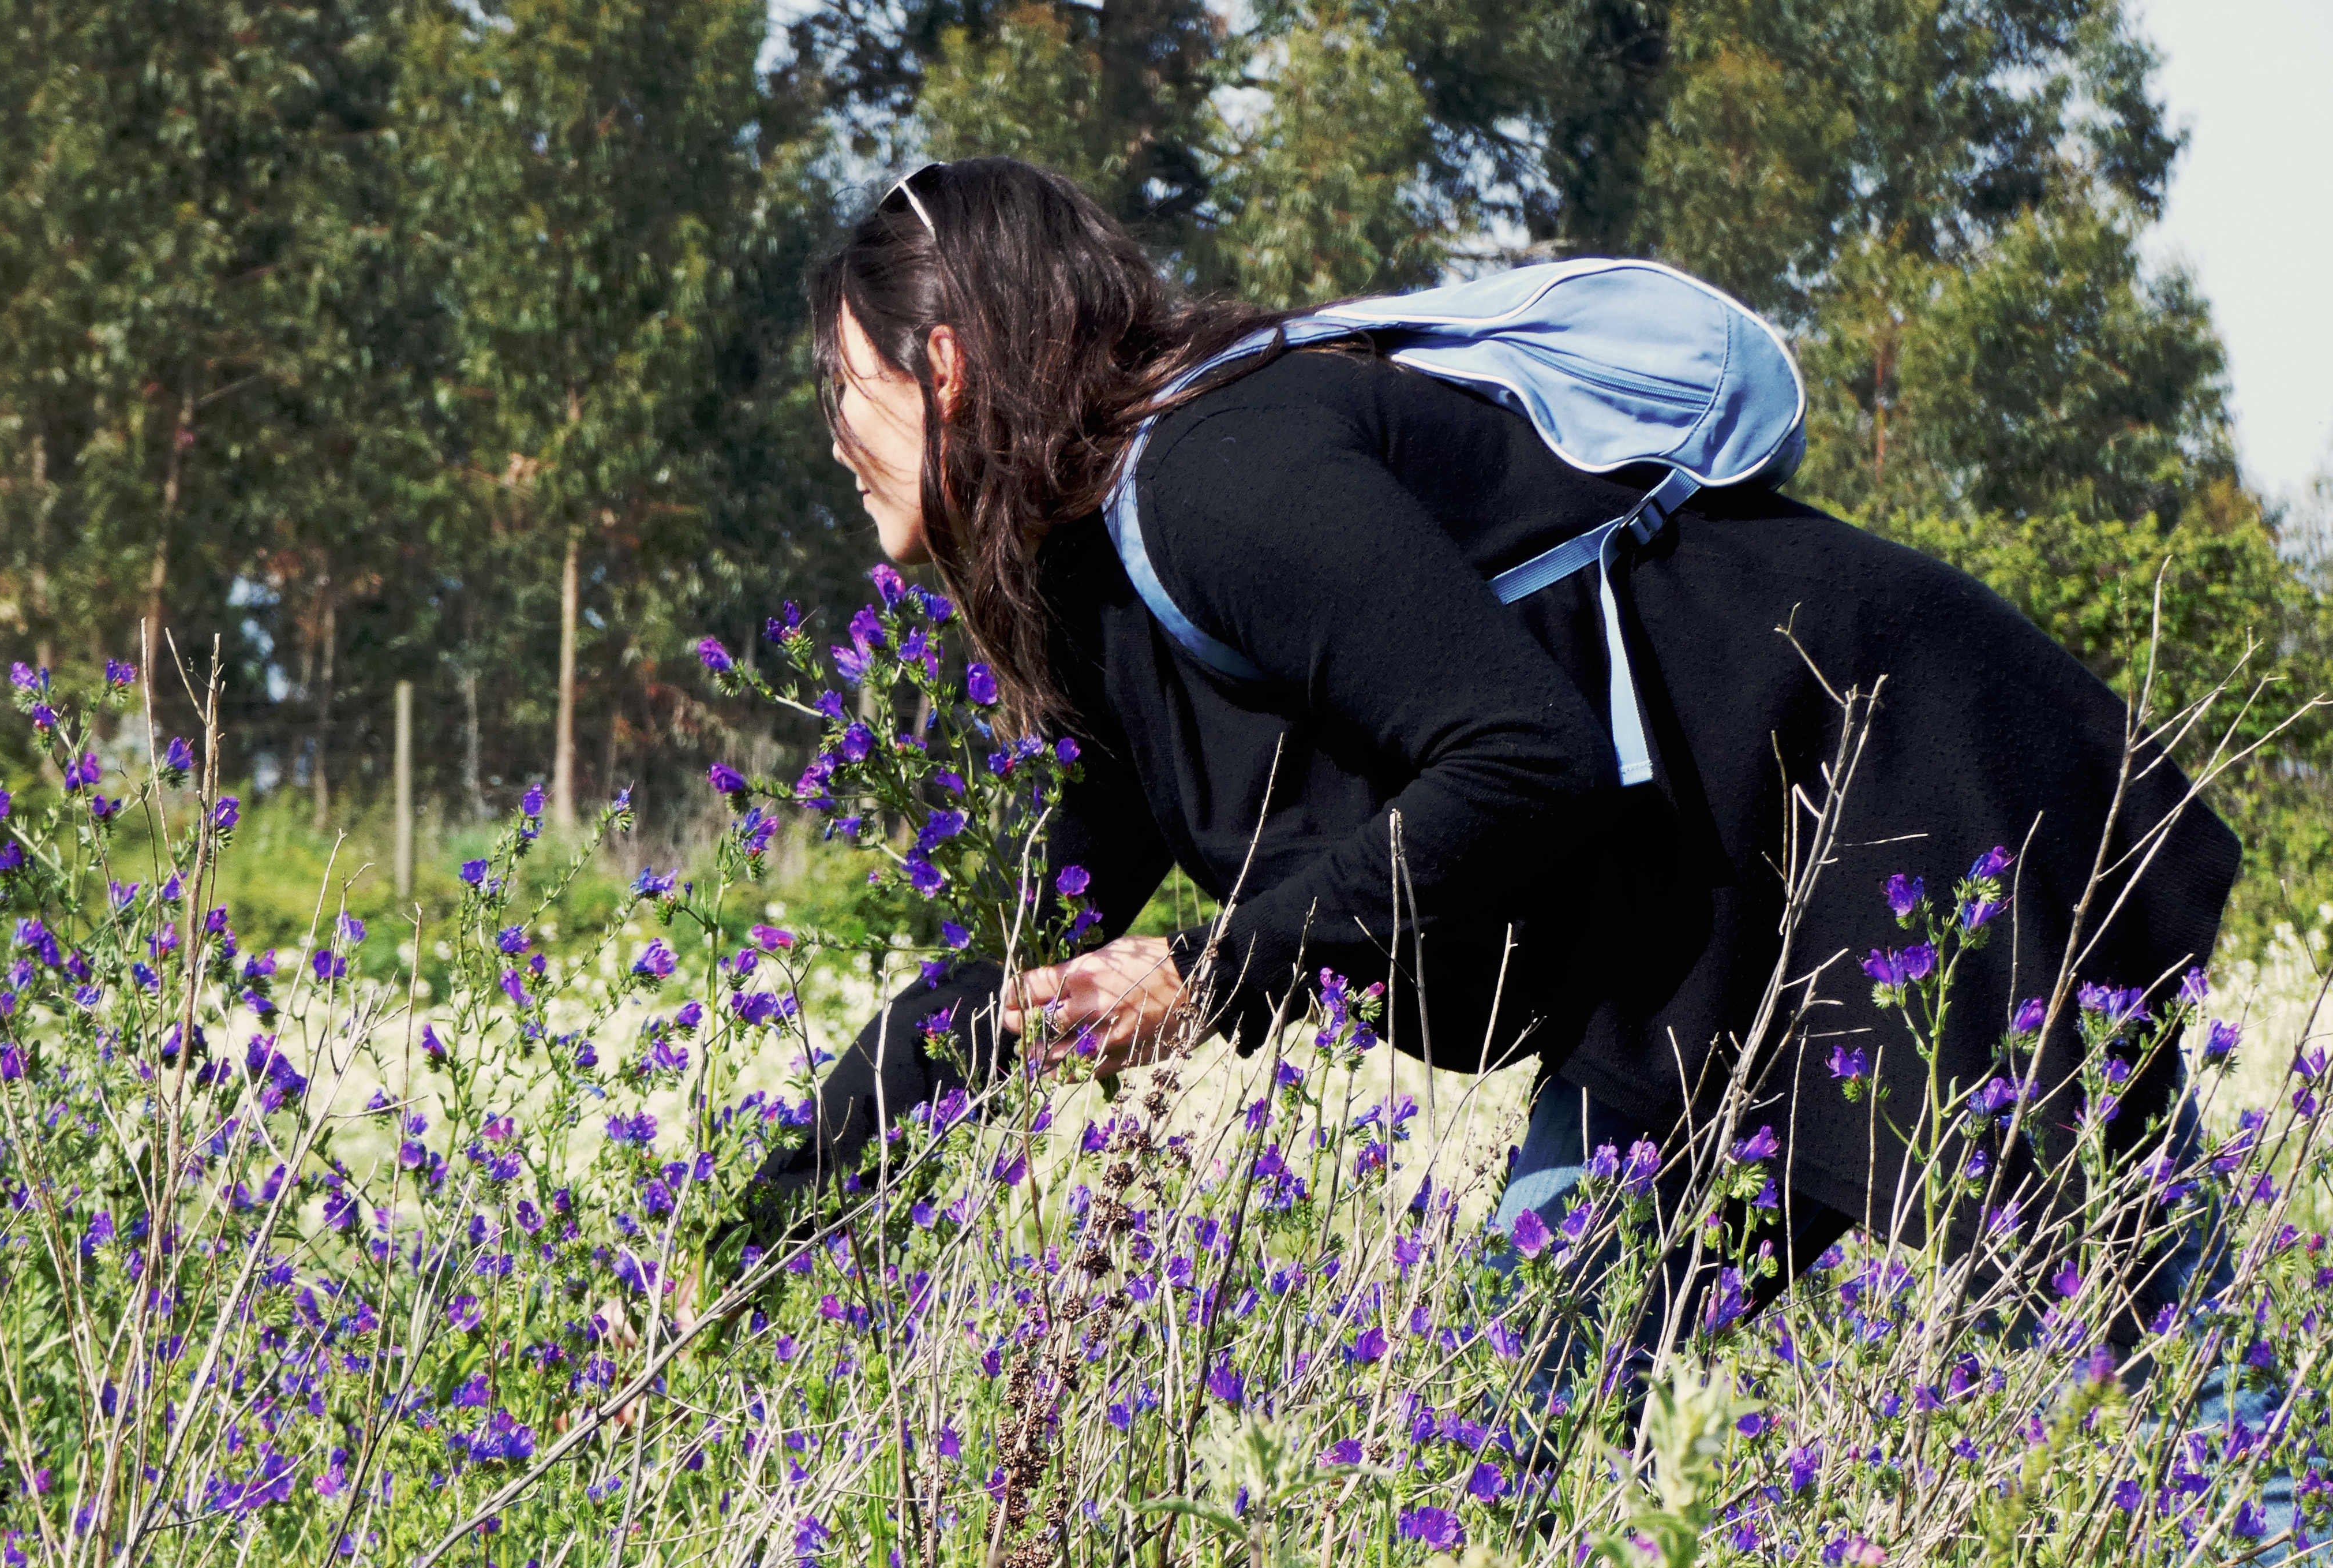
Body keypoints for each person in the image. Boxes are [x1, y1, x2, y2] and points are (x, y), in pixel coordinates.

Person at [762, 155, 2240, 1304]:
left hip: (1909, 790)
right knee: (1523, 1426)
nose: (835, 434)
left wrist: (1214, 975)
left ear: (943, 366)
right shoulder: (1111, 591)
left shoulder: (1221, 484)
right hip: (1695, 929)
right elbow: (1020, 942)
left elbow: (1526, 756)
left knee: (2147, 1332)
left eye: (847, 384)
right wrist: (764, 1236)